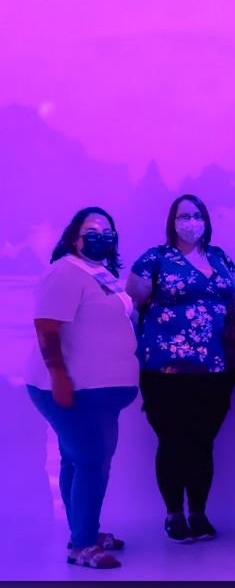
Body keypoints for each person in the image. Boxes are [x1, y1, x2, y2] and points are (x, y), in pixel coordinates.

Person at [25, 207, 139, 569]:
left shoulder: (101, 273)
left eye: (108, 230)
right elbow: (46, 326)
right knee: (91, 461)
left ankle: (82, 530)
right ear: (74, 236)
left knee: (77, 459)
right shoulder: (64, 271)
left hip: (101, 390)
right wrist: (58, 375)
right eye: (92, 229)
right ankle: (83, 546)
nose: (101, 235)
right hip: (71, 388)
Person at [126, 194, 235, 543]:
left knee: (203, 442)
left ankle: (199, 513)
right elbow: (132, 306)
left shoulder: (221, 258)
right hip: (165, 370)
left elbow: (233, 303)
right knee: (173, 441)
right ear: (171, 221)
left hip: (216, 369)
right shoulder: (154, 259)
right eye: (183, 215)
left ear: (206, 220)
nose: (190, 221)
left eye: (196, 215)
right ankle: (174, 514)